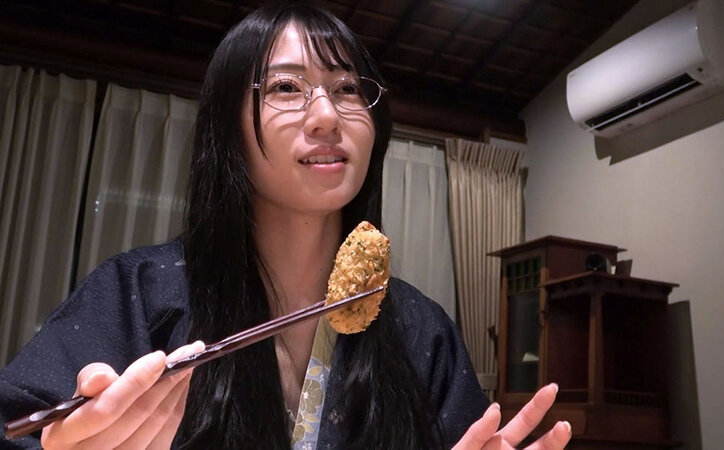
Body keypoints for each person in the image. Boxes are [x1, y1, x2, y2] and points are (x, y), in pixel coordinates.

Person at [0, 4, 571, 449]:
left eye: (348, 89)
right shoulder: (141, 294)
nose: (327, 116)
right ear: (228, 129)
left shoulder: (420, 330)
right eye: (286, 87)